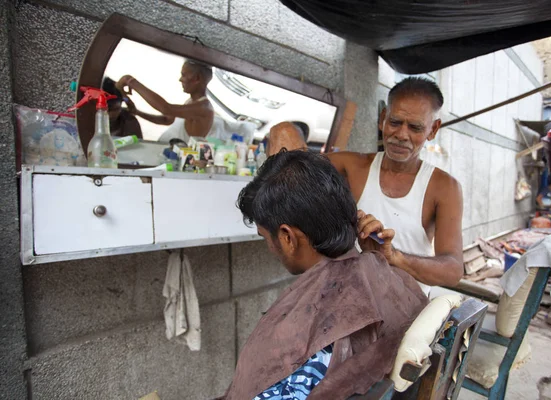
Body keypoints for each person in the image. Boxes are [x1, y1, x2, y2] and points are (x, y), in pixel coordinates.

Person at [221, 150, 428, 400]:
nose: (270, 248)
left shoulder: (313, 343)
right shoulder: (384, 274)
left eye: (266, 237)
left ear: (287, 238)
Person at [267, 77, 464, 296]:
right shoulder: (352, 167)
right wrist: (284, 131)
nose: (401, 135)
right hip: (352, 303)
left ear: (433, 129)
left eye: (415, 127)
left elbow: (453, 270)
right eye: (395, 122)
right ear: (382, 119)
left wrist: (394, 257)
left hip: (407, 312)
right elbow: (290, 164)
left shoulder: (444, 187)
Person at [116, 59, 215, 143]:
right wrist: (137, 112)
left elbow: (166, 108)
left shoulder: (204, 107)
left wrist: (130, 81)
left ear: (197, 78)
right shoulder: (192, 101)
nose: (180, 79)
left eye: (184, 75)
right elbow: (167, 119)